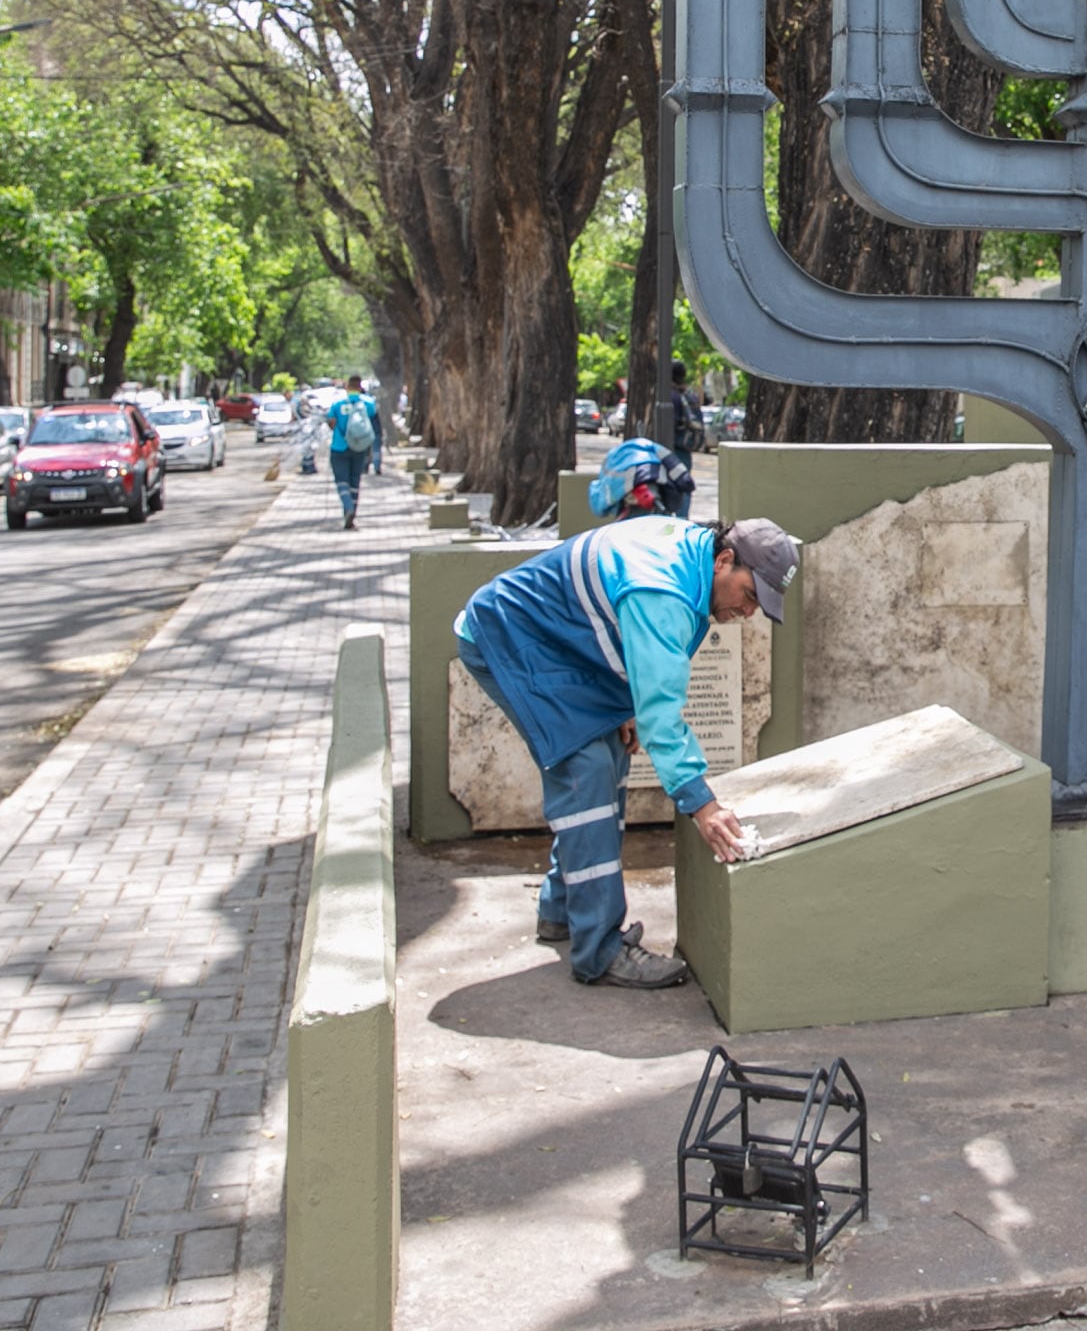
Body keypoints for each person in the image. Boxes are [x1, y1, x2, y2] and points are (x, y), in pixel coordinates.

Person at [454, 514, 801, 987]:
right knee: (587, 770)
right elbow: (662, 714)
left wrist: (626, 706)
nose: (749, 612)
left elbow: (629, 647)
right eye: (751, 595)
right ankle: (599, 950)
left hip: (554, 644)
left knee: (608, 756)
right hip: (511, 639)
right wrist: (702, 804)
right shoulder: (664, 592)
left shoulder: (692, 556)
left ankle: (562, 913)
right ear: (724, 560)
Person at [590, 434, 694, 521]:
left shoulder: (612, 460)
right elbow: (676, 468)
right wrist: (686, 483)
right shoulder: (649, 446)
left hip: (632, 492)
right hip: (651, 479)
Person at [325, 374, 378, 529]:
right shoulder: (368, 403)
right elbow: (371, 418)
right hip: (359, 447)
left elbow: (331, 423)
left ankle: (347, 508)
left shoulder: (337, 404)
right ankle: (352, 513)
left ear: (347, 387)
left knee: (342, 480)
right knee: (355, 481)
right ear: (360, 387)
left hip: (339, 447)